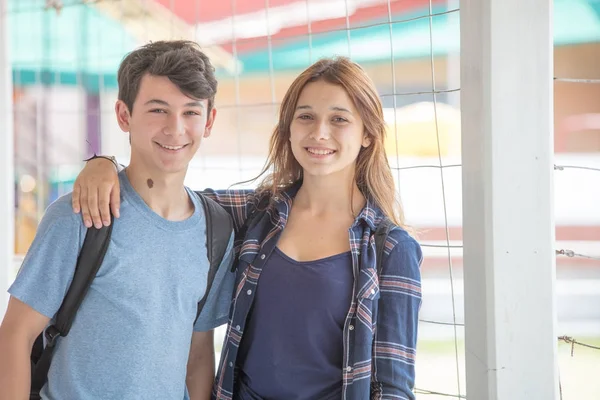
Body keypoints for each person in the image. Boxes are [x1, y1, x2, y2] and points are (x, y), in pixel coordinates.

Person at [70, 57, 423, 399]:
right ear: (288, 128)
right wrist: (102, 163)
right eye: (306, 117)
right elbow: (162, 193)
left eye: (339, 119)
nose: (319, 132)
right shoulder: (255, 214)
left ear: (367, 134)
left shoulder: (390, 248)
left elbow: (392, 387)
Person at [0, 40, 236, 400]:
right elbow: (15, 336)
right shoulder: (79, 215)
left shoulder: (217, 231)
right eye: (158, 110)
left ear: (209, 121)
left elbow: (198, 353)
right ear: (124, 115)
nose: (175, 129)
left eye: (191, 112)